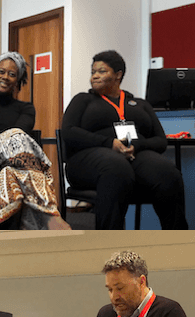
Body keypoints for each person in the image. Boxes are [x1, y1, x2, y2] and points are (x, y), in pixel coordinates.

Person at [61, 50, 188, 230]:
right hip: (88, 160)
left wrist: (137, 145)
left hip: (133, 157)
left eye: (101, 71)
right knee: (115, 167)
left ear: (118, 75)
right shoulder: (83, 100)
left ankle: (178, 241)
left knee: (168, 173)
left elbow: (160, 140)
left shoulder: (139, 104)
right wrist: (109, 143)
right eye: (93, 72)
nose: (94, 76)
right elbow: (69, 132)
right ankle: (111, 245)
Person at [0, 51, 70, 230]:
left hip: (13, 164)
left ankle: (7, 237)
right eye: (1, 71)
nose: (5, 77)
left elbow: (22, 132)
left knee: (9, 173)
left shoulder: (26, 108)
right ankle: (48, 214)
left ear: (18, 79)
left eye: (12, 74)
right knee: (17, 137)